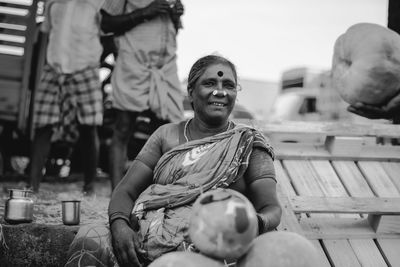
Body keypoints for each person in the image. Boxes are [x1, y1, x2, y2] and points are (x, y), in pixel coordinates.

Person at [65, 55, 282, 267]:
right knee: (90, 239)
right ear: (190, 91)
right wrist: (120, 225)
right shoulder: (166, 135)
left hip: (212, 248)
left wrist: (247, 224)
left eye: (229, 85)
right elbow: (125, 191)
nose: (220, 91)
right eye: (209, 83)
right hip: (142, 238)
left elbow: (270, 207)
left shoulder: (247, 143)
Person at [100, 0, 185, 190]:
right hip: (134, 62)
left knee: (168, 132)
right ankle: (118, 194)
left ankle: (160, 193)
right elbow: (105, 23)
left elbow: (173, 31)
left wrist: (175, 15)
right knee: (123, 126)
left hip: (165, 67)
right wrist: (145, 12)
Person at [29, 0, 104, 194]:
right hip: (54, 68)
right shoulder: (52, 2)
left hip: (85, 69)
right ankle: (33, 186)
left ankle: (89, 186)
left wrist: (97, 61)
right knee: (42, 126)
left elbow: (108, 33)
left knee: (89, 127)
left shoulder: (98, 2)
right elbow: (47, 32)